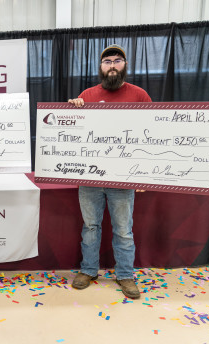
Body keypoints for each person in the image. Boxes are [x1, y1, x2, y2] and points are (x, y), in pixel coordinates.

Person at [68, 44, 152, 299]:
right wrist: (72, 110)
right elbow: (72, 134)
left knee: (123, 229)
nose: (112, 65)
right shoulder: (87, 95)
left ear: (125, 65)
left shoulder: (139, 96)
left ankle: (125, 275)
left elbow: (152, 136)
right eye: (107, 61)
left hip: (123, 177)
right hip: (90, 178)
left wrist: (144, 172)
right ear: (101, 67)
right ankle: (89, 270)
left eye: (117, 60)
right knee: (90, 226)